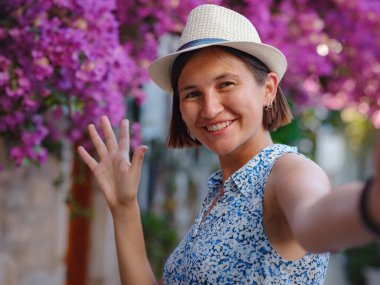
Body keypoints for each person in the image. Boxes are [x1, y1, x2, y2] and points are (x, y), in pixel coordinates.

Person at [77, 4, 380, 285]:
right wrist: (124, 208)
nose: (209, 109)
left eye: (226, 84)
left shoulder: (287, 173)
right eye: (192, 93)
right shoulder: (220, 191)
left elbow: (315, 222)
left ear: (268, 89)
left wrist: (370, 203)